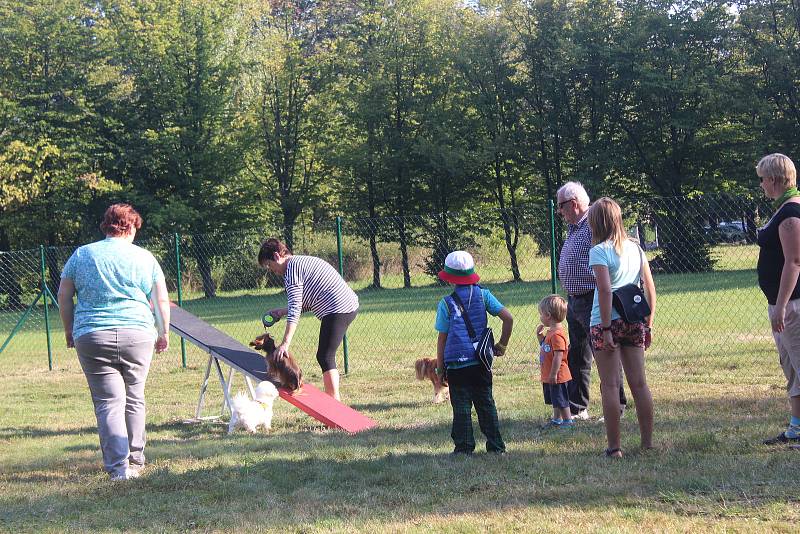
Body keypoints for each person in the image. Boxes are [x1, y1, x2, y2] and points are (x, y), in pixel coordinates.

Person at [57, 203, 170, 481]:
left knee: (108, 401)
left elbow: (64, 294)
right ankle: (136, 461)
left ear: (106, 226)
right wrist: (163, 331)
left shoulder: (82, 255)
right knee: (135, 396)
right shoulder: (145, 258)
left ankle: (118, 469)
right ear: (130, 227)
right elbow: (161, 299)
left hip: (92, 334)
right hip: (138, 333)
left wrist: (69, 329)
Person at [587, 197, 656, 458]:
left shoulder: (599, 251)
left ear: (596, 222)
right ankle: (647, 443)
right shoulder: (635, 249)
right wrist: (648, 323)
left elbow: (605, 290)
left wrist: (605, 328)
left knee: (610, 385)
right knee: (639, 384)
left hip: (606, 320)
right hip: (634, 319)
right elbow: (649, 287)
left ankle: (614, 447)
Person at [556, 182, 627, 420]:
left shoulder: (594, 225)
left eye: (561, 206)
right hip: (575, 301)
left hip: (592, 298)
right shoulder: (575, 228)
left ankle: (616, 406)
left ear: (573, 204)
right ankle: (578, 407)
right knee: (578, 355)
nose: (559, 211)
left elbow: (607, 258)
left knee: (604, 354)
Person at [258, 238, 358, 401]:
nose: (272, 270)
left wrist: (285, 343)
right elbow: (309, 301)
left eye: (269, 265)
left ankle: (334, 403)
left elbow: (296, 308)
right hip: (345, 305)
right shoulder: (298, 263)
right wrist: (282, 311)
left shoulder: (291, 271)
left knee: (325, 356)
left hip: (339, 308)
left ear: (277, 256)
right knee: (325, 355)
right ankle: (334, 401)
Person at [434, 251, 513, 455]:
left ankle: (464, 448)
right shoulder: (484, 295)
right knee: (486, 404)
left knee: (461, 408)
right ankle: (496, 446)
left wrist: (440, 368)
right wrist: (502, 345)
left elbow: (442, 338)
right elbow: (508, 318)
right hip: (481, 363)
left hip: (457, 365)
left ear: (450, 277)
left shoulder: (446, 303)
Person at [755, 154, 800, 445]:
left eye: (762, 179)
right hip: (781, 304)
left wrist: (782, 306)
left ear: (774, 179)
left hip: (793, 305)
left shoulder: (791, 213)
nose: (761, 185)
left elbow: (794, 261)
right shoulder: (782, 208)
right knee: (792, 368)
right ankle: (796, 427)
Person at [536, 294, 573, 428]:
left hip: (558, 375)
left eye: (541, 314)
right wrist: (539, 337)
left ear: (548, 315)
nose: (540, 317)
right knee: (555, 399)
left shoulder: (557, 335)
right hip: (551, 373)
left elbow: (558, 356)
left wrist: (553, 374)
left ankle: (568, 420)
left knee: (561, 399)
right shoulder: (551, 332)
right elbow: (545, 347)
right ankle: (557, 419)